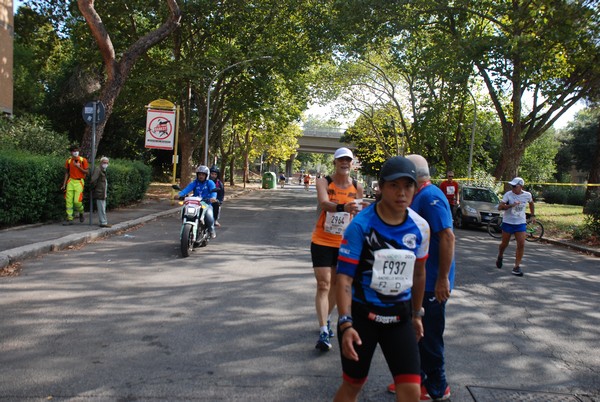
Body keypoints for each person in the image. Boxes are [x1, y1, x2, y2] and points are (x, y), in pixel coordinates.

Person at [333, 155, 429, 402]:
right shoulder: (361, 226)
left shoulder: (420, 228)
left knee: (411, 391)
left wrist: (417, 314)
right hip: (362, 318)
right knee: (352, 386)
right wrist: (345, 325)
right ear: (382, 187)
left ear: (415, 189)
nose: (401, 193)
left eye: (408, 186)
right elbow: (343, 278)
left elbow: (419, 273)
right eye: (394, 185)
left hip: (400, 318)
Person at [387, 154, 455, 401]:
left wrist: (442, 279)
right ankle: (414, 381)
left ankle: (438, 386)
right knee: (414, 334)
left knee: (430, 337)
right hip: (417, 281)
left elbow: (447, 237)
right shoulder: (420, 196)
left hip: (432, 282)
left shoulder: (431, 196)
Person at [311, 147, 365, 352]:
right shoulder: (324, 182)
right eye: (341, 160)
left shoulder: (357, 187)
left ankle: (326, 315)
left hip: (344, 243)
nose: (345, 163)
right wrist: (343, 207)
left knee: (336, 284)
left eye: (348, 161)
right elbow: (324, 203)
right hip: (322, 240)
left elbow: (358, 216)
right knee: (324, 284)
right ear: (335, 162)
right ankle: (324, 330)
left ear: (352, 164)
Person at [495, 177, 535, 277]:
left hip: (520, 223)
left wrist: (533, 215)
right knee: (504, 244)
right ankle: (500, 255)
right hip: (508, 222)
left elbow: (531, 203)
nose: (512, 188)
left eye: (514, 186)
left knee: (521, 244)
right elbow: (500, 207)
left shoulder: (527, 195)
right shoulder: (508, 194)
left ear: (521, 186)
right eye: (512, 186)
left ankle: (516, 267)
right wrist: (511, 205)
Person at [176, 165, 218, 239]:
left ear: (206, 175)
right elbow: (187, 189)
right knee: (185, 210)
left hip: (206, 203)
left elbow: (213, 191)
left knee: (209, 216)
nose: (201, 176)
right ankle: (186, 226)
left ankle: (211, 230)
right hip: (195, 202)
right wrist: (179, 195)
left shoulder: (210, 183)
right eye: (199, 174)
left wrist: (213, 198)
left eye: (203, 174)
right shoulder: (195, 182)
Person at [61, 144, 89, 225]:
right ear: (71, 152)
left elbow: (87, 172)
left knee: (77, 201)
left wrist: (78, 167)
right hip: (71, 181)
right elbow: (66, 173)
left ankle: (81, 212)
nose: (76, 152)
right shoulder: (69, 161)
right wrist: (64, 184)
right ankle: (70, 219)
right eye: (74, 151)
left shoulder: (83, 160)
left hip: (79, 181)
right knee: (68, 200)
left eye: (77, 151)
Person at [91, 156, 111, 228]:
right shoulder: (98, 170)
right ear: (101, 163)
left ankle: (103, 222)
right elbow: (93, 180)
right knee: (102, 208)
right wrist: (95, 188)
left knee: (103, 208)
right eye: (104, 162)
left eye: (106, 163)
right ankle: (103, 222)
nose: (105, 164)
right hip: (100, 192)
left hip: (103, 193)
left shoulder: (103, 170)